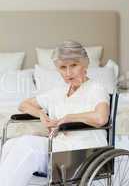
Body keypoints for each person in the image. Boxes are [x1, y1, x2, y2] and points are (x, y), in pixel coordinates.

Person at [0, 41, 109, 186]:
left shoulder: (95, 88)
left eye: (74, 65)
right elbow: (23, 105)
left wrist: (69, 118)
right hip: (60, 148)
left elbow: (101, 117)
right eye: (63, 67)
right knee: (11, 144)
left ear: (85, 64)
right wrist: (41, 114)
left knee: (27, 146)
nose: (68, 73)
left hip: (86, 151)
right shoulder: (58, 92)